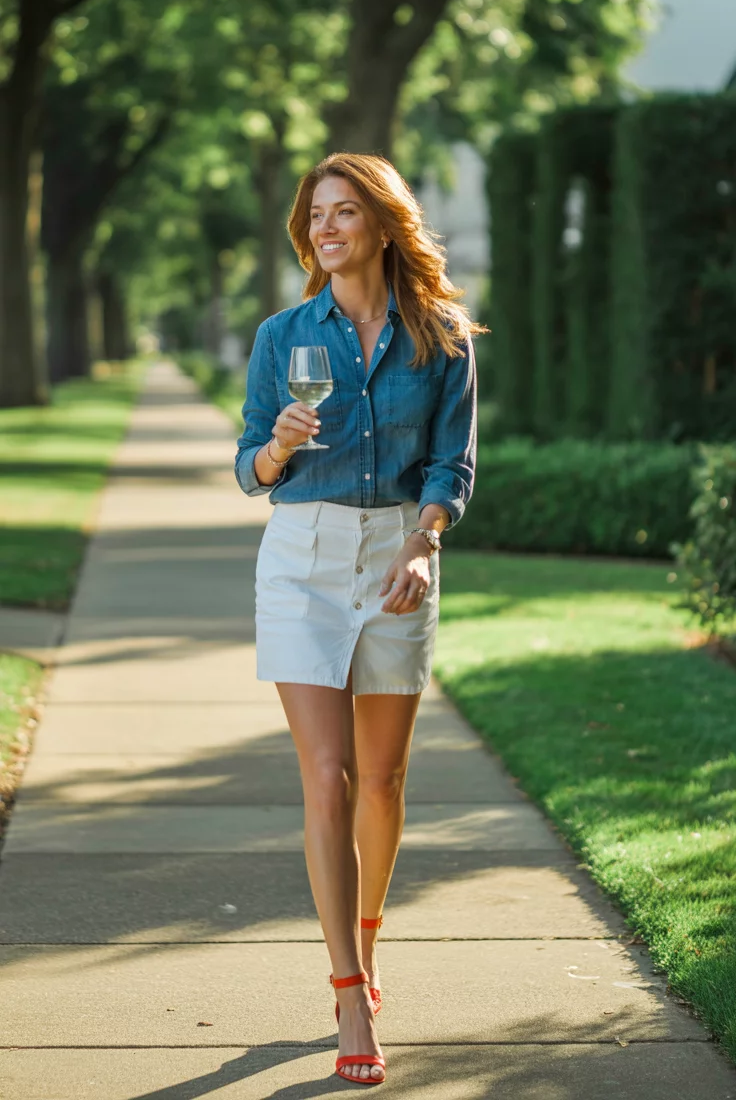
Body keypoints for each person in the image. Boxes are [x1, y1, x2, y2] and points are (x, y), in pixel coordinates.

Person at [235, 152, 483, 1086]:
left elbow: (450, 465)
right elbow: (246, 463)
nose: (325, 228)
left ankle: (369, 942)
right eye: (316, 216)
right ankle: (346, 989)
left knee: (381, 781)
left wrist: (424, 542)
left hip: (396, 560)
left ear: (384, 226)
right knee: (329, 777)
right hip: (301, 556)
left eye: (344, 213)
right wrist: (275, 449)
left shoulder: (444, 336)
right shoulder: (284, 336)